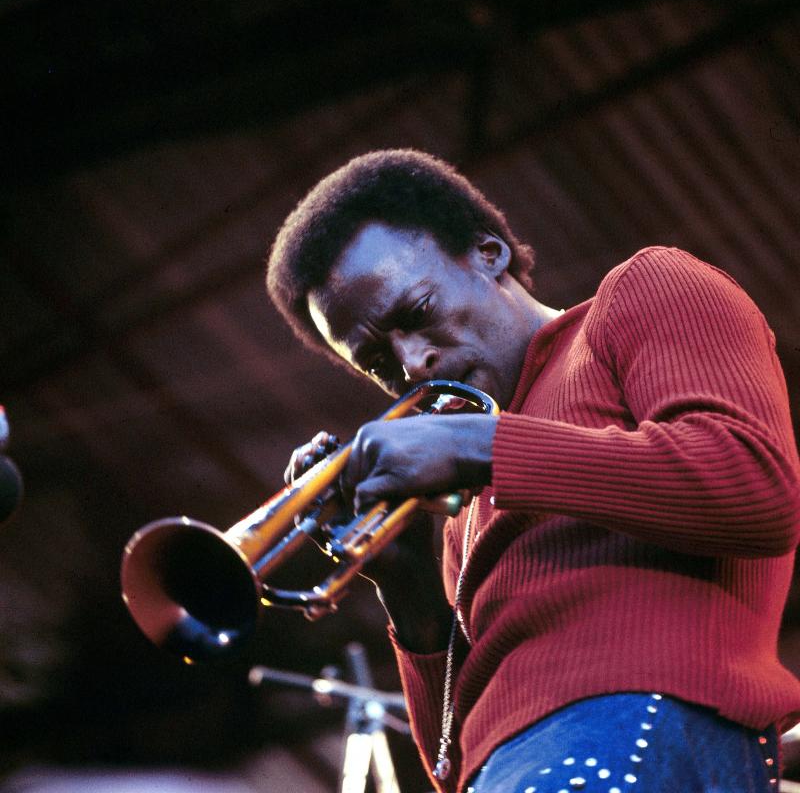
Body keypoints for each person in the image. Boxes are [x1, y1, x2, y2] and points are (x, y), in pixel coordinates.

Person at [265, 149, 800, 793]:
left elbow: (753, 484)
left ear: (489, 254)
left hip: (642, 730)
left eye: (416, 312)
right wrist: (404, 582)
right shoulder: (465, 506)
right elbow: (454, 763)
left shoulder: (644, 291)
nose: (412, 364)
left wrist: (484, 446)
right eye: (377, 360)